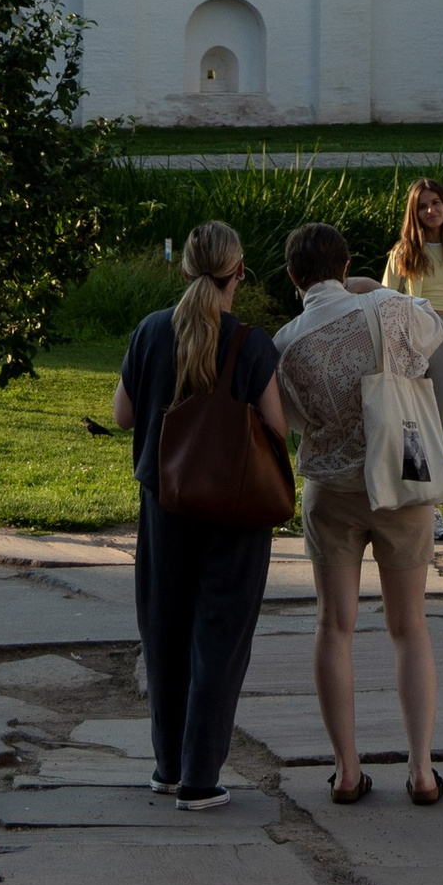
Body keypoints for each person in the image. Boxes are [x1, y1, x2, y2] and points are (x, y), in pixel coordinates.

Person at [116, 217, 289, 811]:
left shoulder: (149, 331)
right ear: (238, 271)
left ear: (185, 268)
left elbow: (122, 414)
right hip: (236, 511)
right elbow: (276, 428)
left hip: (165, 504)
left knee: (164, 630)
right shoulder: (252, 342)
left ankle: (165, 767)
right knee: (220, 638)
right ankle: (199, 776)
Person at [275, 220, 443, 803]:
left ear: (294, 275)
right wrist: (374, 287)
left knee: (334, 626)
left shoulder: (287, 343)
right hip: (403, 475)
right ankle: (422, 770)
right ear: (346, 266)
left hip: (332, 487)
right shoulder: (389, 308)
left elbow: (297, 420)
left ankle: (347, 769)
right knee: (410, 627)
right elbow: (434, 334)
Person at [383, 177, 443, 519]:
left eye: (436, 203)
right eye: (423, 206)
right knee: (412, 423)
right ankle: (419, 503)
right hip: (412, 339)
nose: (431, 211)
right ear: (414, 213)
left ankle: (434, 502)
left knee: (440, 422)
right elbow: (386, 301)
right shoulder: (403, 253)